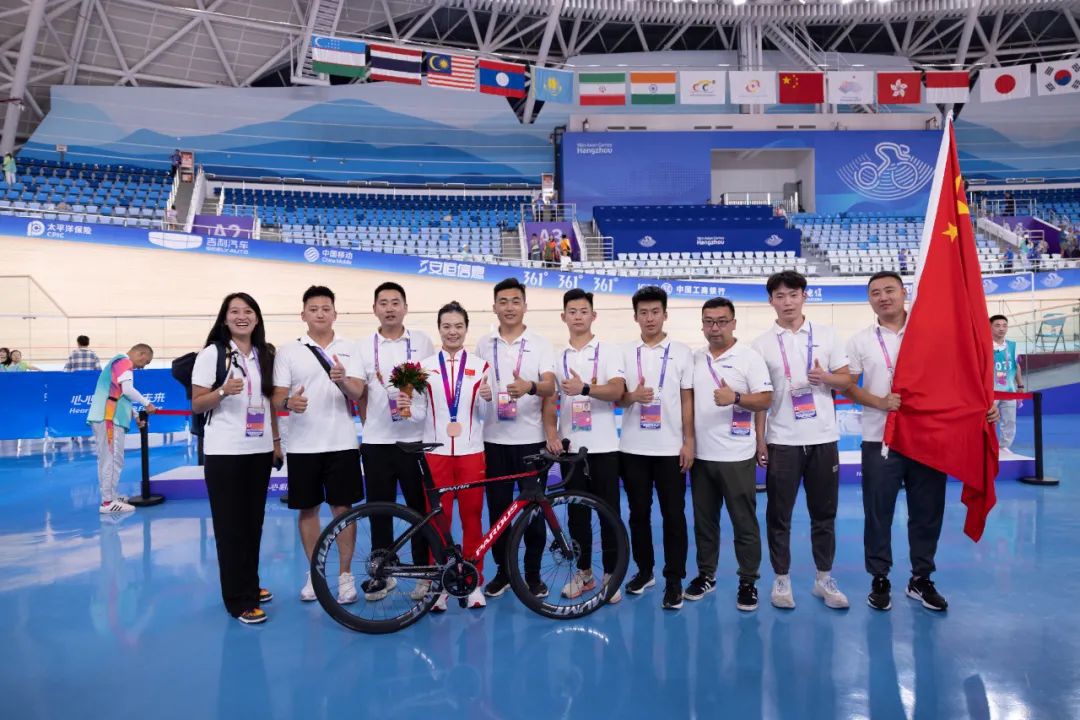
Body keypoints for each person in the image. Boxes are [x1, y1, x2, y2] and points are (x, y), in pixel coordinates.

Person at [752, 271, 851, 610]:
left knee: (824, 513)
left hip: (823, 438)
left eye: (793, 294)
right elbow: (761, 398)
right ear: (771, 301)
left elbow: (847, 380)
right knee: (779, 515)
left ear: (804, 296)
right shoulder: (760, 345)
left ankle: (824, 579)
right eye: (780, 296)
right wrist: (760, 440)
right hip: (782, 441)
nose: (787, 302)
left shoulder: (827, 335)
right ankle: (781, 580)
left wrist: (827, 377)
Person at [272, 286, 367, 604]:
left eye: (326, 308)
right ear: (303, 315)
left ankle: (345, 576)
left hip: (342, 443)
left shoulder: (351, 348)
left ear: (335, 313)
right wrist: (289, 402)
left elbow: (357, 393)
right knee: (308, 509)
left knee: (343, 509)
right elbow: (277, 396)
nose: (320, 314)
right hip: (303, 446)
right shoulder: (289, 350)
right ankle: (315, 574)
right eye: (313, 309)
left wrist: (343, 380)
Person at [191, 293, 282, 625]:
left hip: (258, 451)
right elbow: (197, 403)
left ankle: (250, 585)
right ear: (225, 318)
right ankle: (238, 600)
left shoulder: (264, 355)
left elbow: (269, 402)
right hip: (225, 452)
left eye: (248, 311)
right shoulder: (212, 354)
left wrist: (275, 442)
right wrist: (221, 392)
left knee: (253, 524)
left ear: (257, 318)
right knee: (230, 528)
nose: (242, 316)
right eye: (234, 311)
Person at [687, 297, 773, 611]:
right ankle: (706, 575)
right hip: (702, 457)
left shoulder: (749, 358)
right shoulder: (694, 359)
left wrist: (735, 397)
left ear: (734, 323)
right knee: (704, 523)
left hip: (737, 456)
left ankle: (748, 581)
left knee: (744, 523)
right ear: (702, 325)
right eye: (709, 321)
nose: (715, 327)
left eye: (722, 321)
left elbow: (765, 400)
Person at [405, 301, 492, 611]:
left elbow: (484, 414)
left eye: (458, 326)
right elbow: (419, 415)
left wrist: (486, 399)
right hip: (436, 453)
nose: (452, 332)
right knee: (439, 520)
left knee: (472, 518)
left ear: (466, 329)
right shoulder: (423, 367)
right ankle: (441, 584)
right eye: (446, 326)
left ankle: (473, 582)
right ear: (439, 329)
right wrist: (406, 406)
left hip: (471, 452)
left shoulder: (481, 366)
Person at [542, 288, 627, 604]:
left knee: (608, 515)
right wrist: (552, 432)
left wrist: (585, 388)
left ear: (593, 315)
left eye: (583, 311)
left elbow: (617, 391)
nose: (578, 316)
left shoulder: (609, 351)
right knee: (576, 515)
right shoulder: (557, 356)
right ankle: (584, 573)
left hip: (603, 448)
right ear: (563, 316)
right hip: (570, 450)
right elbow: (549, 402)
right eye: (572, 311)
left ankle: (611, 575)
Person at [475, 278, 558, 599]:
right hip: (494, 441)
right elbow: (478, 386)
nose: (509, 307)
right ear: (494, 307)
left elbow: (550, 386)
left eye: (515, 301)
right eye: (503, 301)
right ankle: (504, 572)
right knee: (498, 513)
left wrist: (530, 387)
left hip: (530, 442)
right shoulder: (483, 344)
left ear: (525, 306)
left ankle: (533, 575)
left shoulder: (540, 343)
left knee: (533, 513)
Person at [355, 281, 435, 601]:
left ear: (405, 307)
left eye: (395, 302)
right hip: (377, 443)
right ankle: (383, 573)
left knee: (418, 510)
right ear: (374, 308)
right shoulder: (363, 346)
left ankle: (423, 574)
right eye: (383, 303)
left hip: (414, 441)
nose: (389, 308)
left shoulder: (422, 342)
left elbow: (429, 388)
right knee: (380, 511)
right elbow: (360, 393)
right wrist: (369, 426)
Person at [617, 285, 695, 610]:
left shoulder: (682, 352)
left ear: (665, 314)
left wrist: (689, 441)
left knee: (673, 515)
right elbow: (618, 398)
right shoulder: (624, 352)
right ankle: (645, 571)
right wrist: (631, 396)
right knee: (638, 514)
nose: (649, 318)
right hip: (633, 447)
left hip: (670, 449)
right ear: (635, 316)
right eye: (643, 313)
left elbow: (687, 399)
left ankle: (674, 579)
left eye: (655, 312)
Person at [87, 344, 158, 514]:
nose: (143, 367)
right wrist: (147, 403)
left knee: (110, 459)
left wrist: (135, 416)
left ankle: (111, 496)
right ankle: (107, 503)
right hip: (109, 418)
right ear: (141, 353)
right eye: (146, 362)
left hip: (108, 417)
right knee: (111, 460)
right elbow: (127, 390)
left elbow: (119, 395)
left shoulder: (117, 363)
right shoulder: (124, 361)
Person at [990, 314, 1024, 452]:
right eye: (997, 325)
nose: (1001, 329)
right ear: (990, 327)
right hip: (991, 391)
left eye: (1004, 325)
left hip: (1009, 390)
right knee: (990, 420)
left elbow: (1017, 367)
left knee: (1010, 421)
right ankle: (989, 446)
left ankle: (1004, 446)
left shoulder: (1012, 346)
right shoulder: (984, 345)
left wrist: (1020, 385)